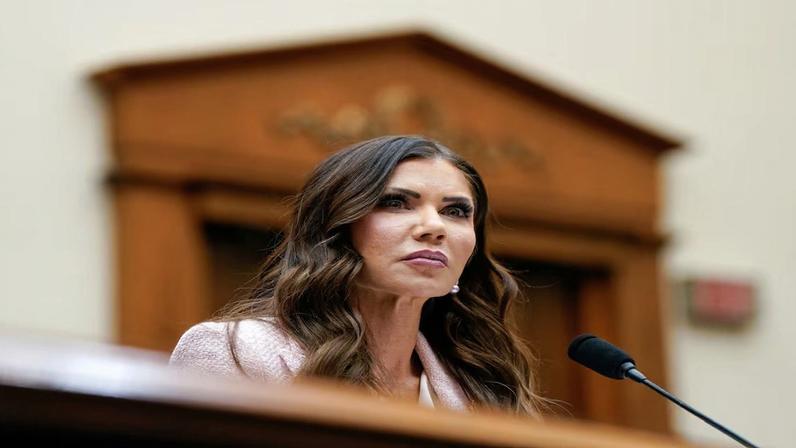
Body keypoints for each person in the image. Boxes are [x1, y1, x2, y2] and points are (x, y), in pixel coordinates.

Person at [170, 135, 544, 415]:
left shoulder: (482, 385)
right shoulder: (236, 353)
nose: (434, 227)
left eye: (456, 212)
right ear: (337, 228)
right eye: (396, 203)